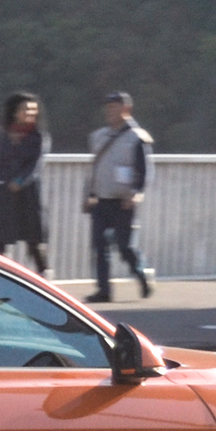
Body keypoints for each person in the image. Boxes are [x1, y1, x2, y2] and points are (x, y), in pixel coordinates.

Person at [83, 91, 154, 303]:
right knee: (100, 246)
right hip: (101, 199)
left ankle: (141, 273)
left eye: (115, 107)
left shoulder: (137, 137)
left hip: (123, 201)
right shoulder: (99, 136)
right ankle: (103, 290)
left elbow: (145, 170)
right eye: (108, 108)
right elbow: (94, 168)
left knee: (125, 247)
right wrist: (89, 194)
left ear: (126, 109)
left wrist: (135, 194)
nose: (110, 111)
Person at [0, 92, 51, 273]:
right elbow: (0, 163)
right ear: (15, 112)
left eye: (33, 109)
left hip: (27, 194)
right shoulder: (6, 135)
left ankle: (44, 274)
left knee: (34, 240)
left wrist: (20, 181)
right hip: (4, 192)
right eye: (25, 109)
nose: (30, 112)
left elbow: (35, 165)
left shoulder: (39, 137)